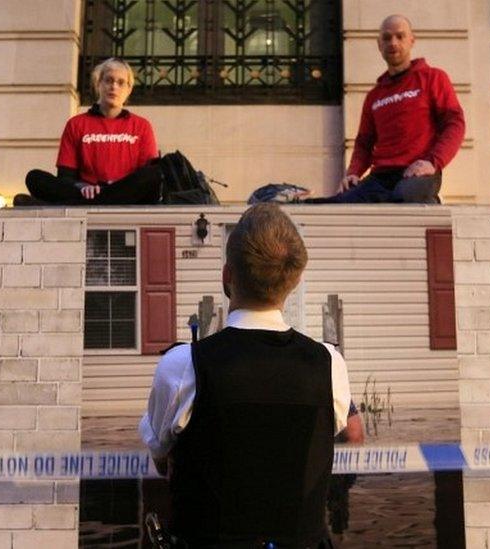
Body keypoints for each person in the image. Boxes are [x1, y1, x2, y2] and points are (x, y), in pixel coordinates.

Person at [139, 203, 351, 548]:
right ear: (294, 281)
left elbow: (161, 458)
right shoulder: (329, 364)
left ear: (227, 276)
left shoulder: (183, 365)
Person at [311, 14, 465, 204]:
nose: (393, 43)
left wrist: (433, 162)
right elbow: (364, 143)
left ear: (411, 41)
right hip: (381, 177)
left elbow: (454, 123)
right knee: (340, 202)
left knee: (403, 198)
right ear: (379, 45)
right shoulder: (374, 96)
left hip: (417, 173)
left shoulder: (433, 78)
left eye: (400, 36)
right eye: (387, 38)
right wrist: (353, 173)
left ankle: (431, 203)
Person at [15, 57, 162, 206]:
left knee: (155, 174)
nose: (114, 87)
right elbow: (65, 177)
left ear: (129, 89)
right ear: (98, 84)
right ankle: (95, 200)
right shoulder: (76, 124)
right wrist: (83, 187)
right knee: (34, 177)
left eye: (121, 82)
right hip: (86, 193)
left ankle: (61, 205)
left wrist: (112, 190)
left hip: (124, 193)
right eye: (108, 80)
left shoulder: (142, 126)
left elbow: (148, 178)